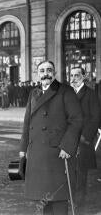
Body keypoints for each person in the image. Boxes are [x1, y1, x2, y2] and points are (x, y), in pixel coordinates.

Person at [19, 61, 83, 215]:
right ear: (37, 74)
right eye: (42, 71)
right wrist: (23, 149)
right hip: (37, 153)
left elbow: (77, 120)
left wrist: (67, 147)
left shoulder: (65, 91)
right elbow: (27, 122)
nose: (45, 73)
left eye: (49, 70)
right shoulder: (34, 93)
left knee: (59, 199)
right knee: (44, 199)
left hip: (57, 153)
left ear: (54, 73)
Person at [70, 67, 100, 213]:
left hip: (82, 140)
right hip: (69, 139)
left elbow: (96, 117)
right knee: (70, 172)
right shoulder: (68, 94)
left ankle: (79, 204)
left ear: (83, 76)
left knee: (81, 173)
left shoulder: (90, 94)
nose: (74, 78)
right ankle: (71, 199)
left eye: (77, 75)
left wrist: (85, 136)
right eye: (72, 75)